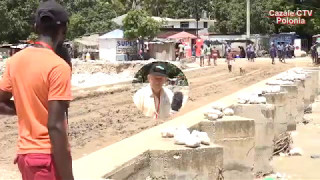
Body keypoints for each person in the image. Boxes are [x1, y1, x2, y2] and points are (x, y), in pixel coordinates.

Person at [0, 1, 74, 180]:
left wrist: (29, 109)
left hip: (25, 157)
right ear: (63, 30)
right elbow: (55, 126)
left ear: (35, 27)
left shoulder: (15, 61)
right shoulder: (58, 66)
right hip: (46, 158)